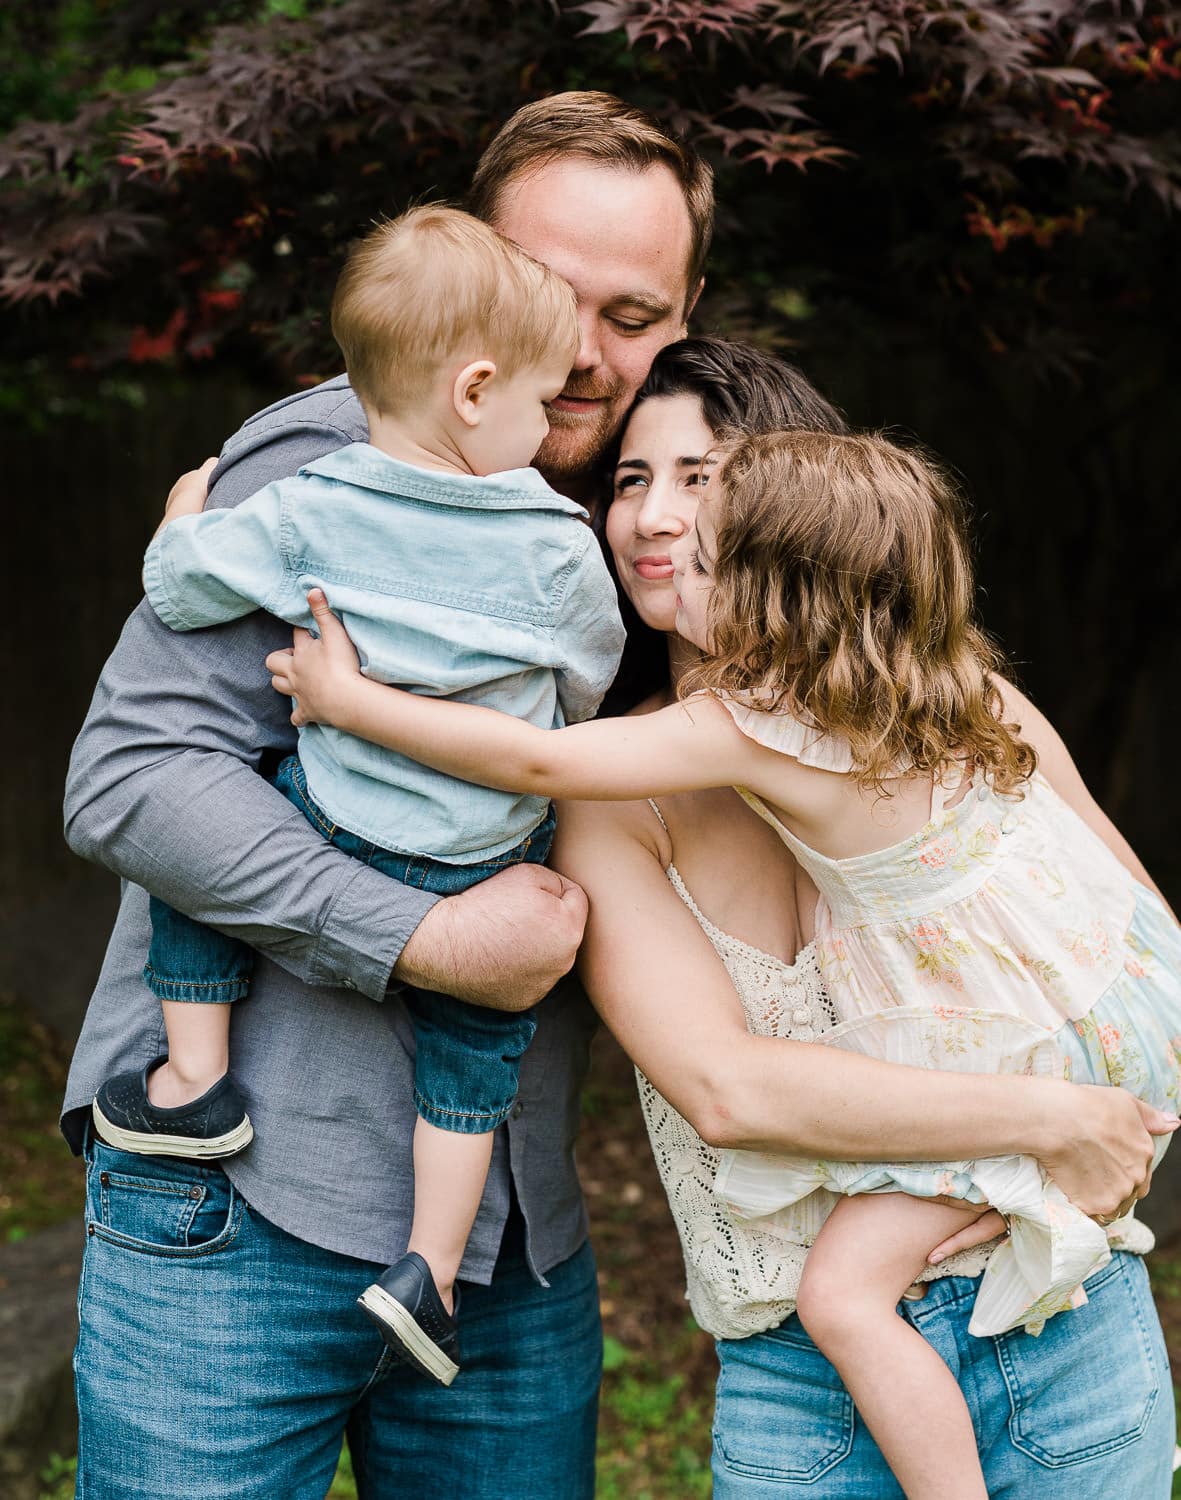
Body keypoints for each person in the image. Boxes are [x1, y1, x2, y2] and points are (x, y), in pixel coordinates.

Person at [62, 90, 1164, 1495]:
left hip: (510, 1242)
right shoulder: (332, 478)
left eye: (632, 313)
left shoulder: (634, 530)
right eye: (551, 296)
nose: (587, 353)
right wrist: (427, 937)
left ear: (688, 308)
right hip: (249, 1204)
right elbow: (129, 783)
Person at [268, 340, 1179, 1497]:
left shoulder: (956, 697)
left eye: (700, 479)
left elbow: (1128, 938)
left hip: (1063, 1318)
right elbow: (726, 1089)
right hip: (809, 1378)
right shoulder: (635, 791)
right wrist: (1061, 1119)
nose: (656, 514)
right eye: (631, 480)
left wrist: (1114, 1130)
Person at [90, 204, 624, 1386]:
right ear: (478, 390)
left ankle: (192, 1076)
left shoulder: (310, 501)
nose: (563, 404)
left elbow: (183, 587)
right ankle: (426, 1270)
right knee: (471, 1059)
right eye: (543, 394)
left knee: (214, 877)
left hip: (335, 815)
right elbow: (585, 678)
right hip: (479, 853)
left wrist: (186, 519)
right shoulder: (549, 533)